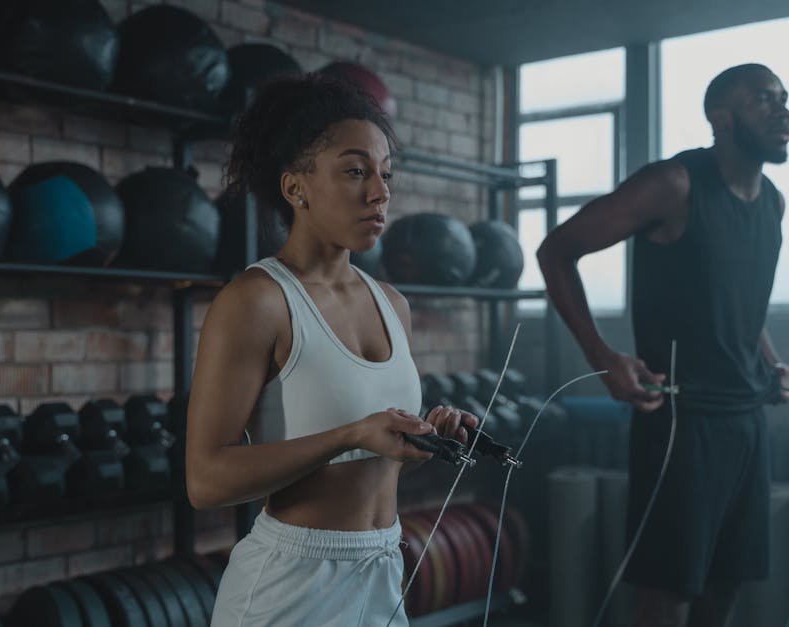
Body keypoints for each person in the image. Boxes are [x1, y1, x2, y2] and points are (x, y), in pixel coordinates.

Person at [185, 73, 476, 627]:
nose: (380, 192)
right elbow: (205, 480)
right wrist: (349, 434)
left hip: (383, 571)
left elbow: (364, 470)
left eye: (386, 174)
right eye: (354, 171)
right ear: (296, 188)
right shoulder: (257, 301)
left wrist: (420, 445)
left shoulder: (393, 303)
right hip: (289, 585)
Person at [536, 63, 789, 627]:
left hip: (746, 419)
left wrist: (771, 363)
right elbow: (556, 251)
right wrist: (602, 359)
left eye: (784, 98)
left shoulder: (772, 202)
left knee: (725, 587)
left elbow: (737, 302)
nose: (782, 110)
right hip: (679, 420)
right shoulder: (673, 184)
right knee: (667, 595)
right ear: (720, 116)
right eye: (764, 99)